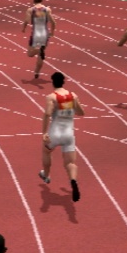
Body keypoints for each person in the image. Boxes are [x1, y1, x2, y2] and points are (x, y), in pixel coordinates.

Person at [39, 71, 85, 203]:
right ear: (64, 82)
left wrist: (44, 132)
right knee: (70, 163)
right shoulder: (73, 96)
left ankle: (46, 175)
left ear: (53, 83)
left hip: (55, 132)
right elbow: (81, 112)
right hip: (68, 134)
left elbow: (47, 114)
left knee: (46, 151)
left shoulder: (51, 97)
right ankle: (73, 181)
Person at [21, 0, 57, 80]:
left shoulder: (31, 10)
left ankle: (38, 50)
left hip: (35, 34)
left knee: (30, 54)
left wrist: (23, 28)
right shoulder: (47, 10)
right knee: (40, 56)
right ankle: (36, 73)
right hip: (45, 33)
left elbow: (26, 21)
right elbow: (53, 22)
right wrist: (52, 32)